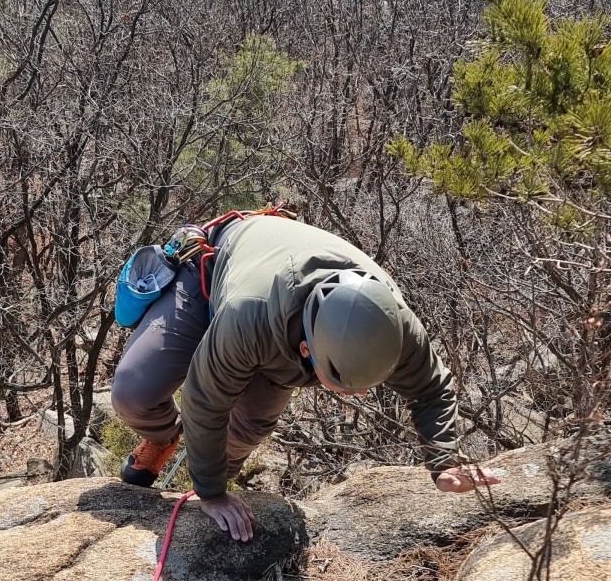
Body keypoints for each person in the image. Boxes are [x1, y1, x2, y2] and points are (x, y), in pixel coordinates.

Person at [111, 212, 500, 541]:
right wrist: (212, 495)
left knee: (247, 430)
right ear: (306, 352)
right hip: (214, 274)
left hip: (284, 320)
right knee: (135, 391)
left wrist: (444, 460)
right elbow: (204, 397)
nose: (361, 395)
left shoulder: (391, 324)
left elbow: (432, 388)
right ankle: (162, 438)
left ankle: (209, 471)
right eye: (346, 384)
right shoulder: (249, 317)